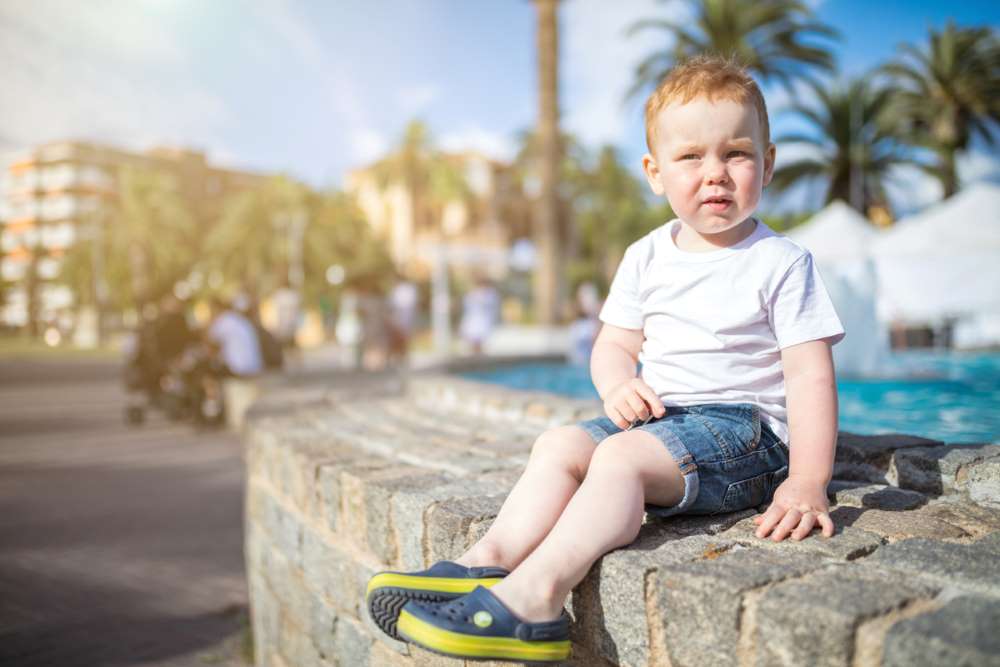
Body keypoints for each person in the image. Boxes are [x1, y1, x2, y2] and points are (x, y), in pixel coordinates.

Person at [364, 55, 845, 662]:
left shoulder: (781, 262)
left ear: (767, 164)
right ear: (655, 172)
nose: (715, 174)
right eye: (691, 157)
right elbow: (613, 345)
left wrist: (807, 482)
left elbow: (808, 373)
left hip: (748, 440)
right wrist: (617, 383)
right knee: (560, 445)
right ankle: (488, 562)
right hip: (667, 424)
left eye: (737, 154)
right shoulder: (646, 255)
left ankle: (535, 601)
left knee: (617, 459)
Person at [459, 277, 500, 354]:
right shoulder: (472, 294)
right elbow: (467, 308)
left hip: (483, 323)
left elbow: (493, 308)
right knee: (472, 344)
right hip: (473, 323)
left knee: (481, 344)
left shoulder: (490, 295)